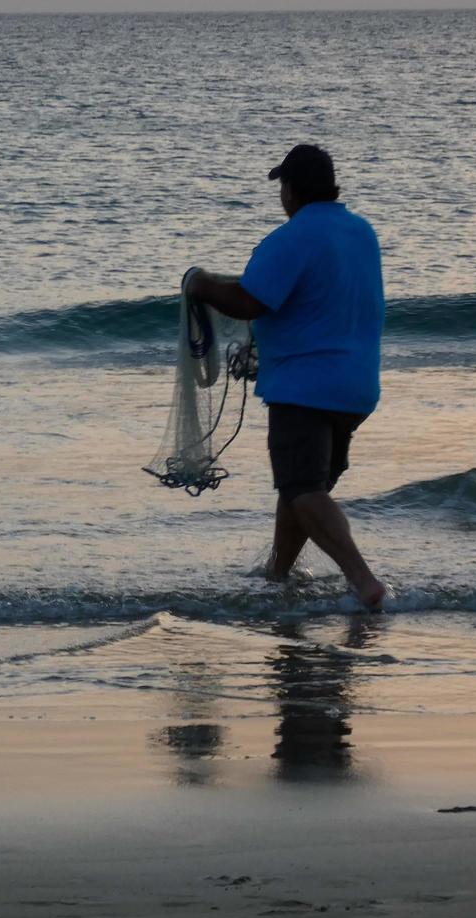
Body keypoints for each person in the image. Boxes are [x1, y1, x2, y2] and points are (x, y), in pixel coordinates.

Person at [186, 144, 386, 610]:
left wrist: (200, 284)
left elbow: (249, 302)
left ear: (292, 191)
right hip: (355, 389)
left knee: (301, 489)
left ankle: (364, 581)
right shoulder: (361, 232)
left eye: (282, 187)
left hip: (305, 388)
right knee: (300, 490)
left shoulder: (291, 238)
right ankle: (278, 576)